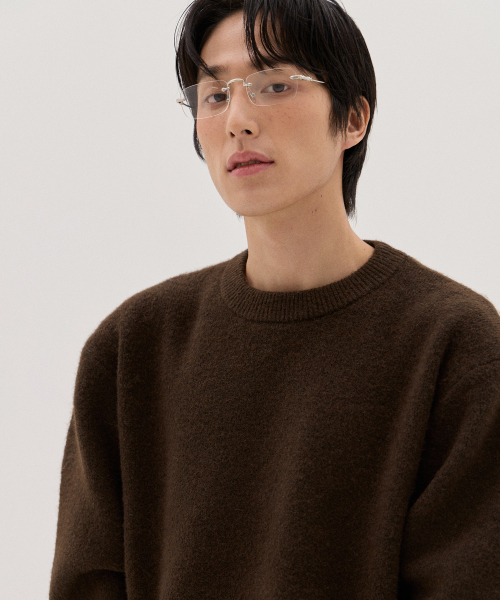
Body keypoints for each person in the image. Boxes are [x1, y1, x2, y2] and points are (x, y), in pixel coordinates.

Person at [49, 1, 500, 598]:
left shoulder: (454, 345)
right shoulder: (134, 346)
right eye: (215, 95)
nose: (238, 119)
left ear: (354, 118)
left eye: (275, 85)